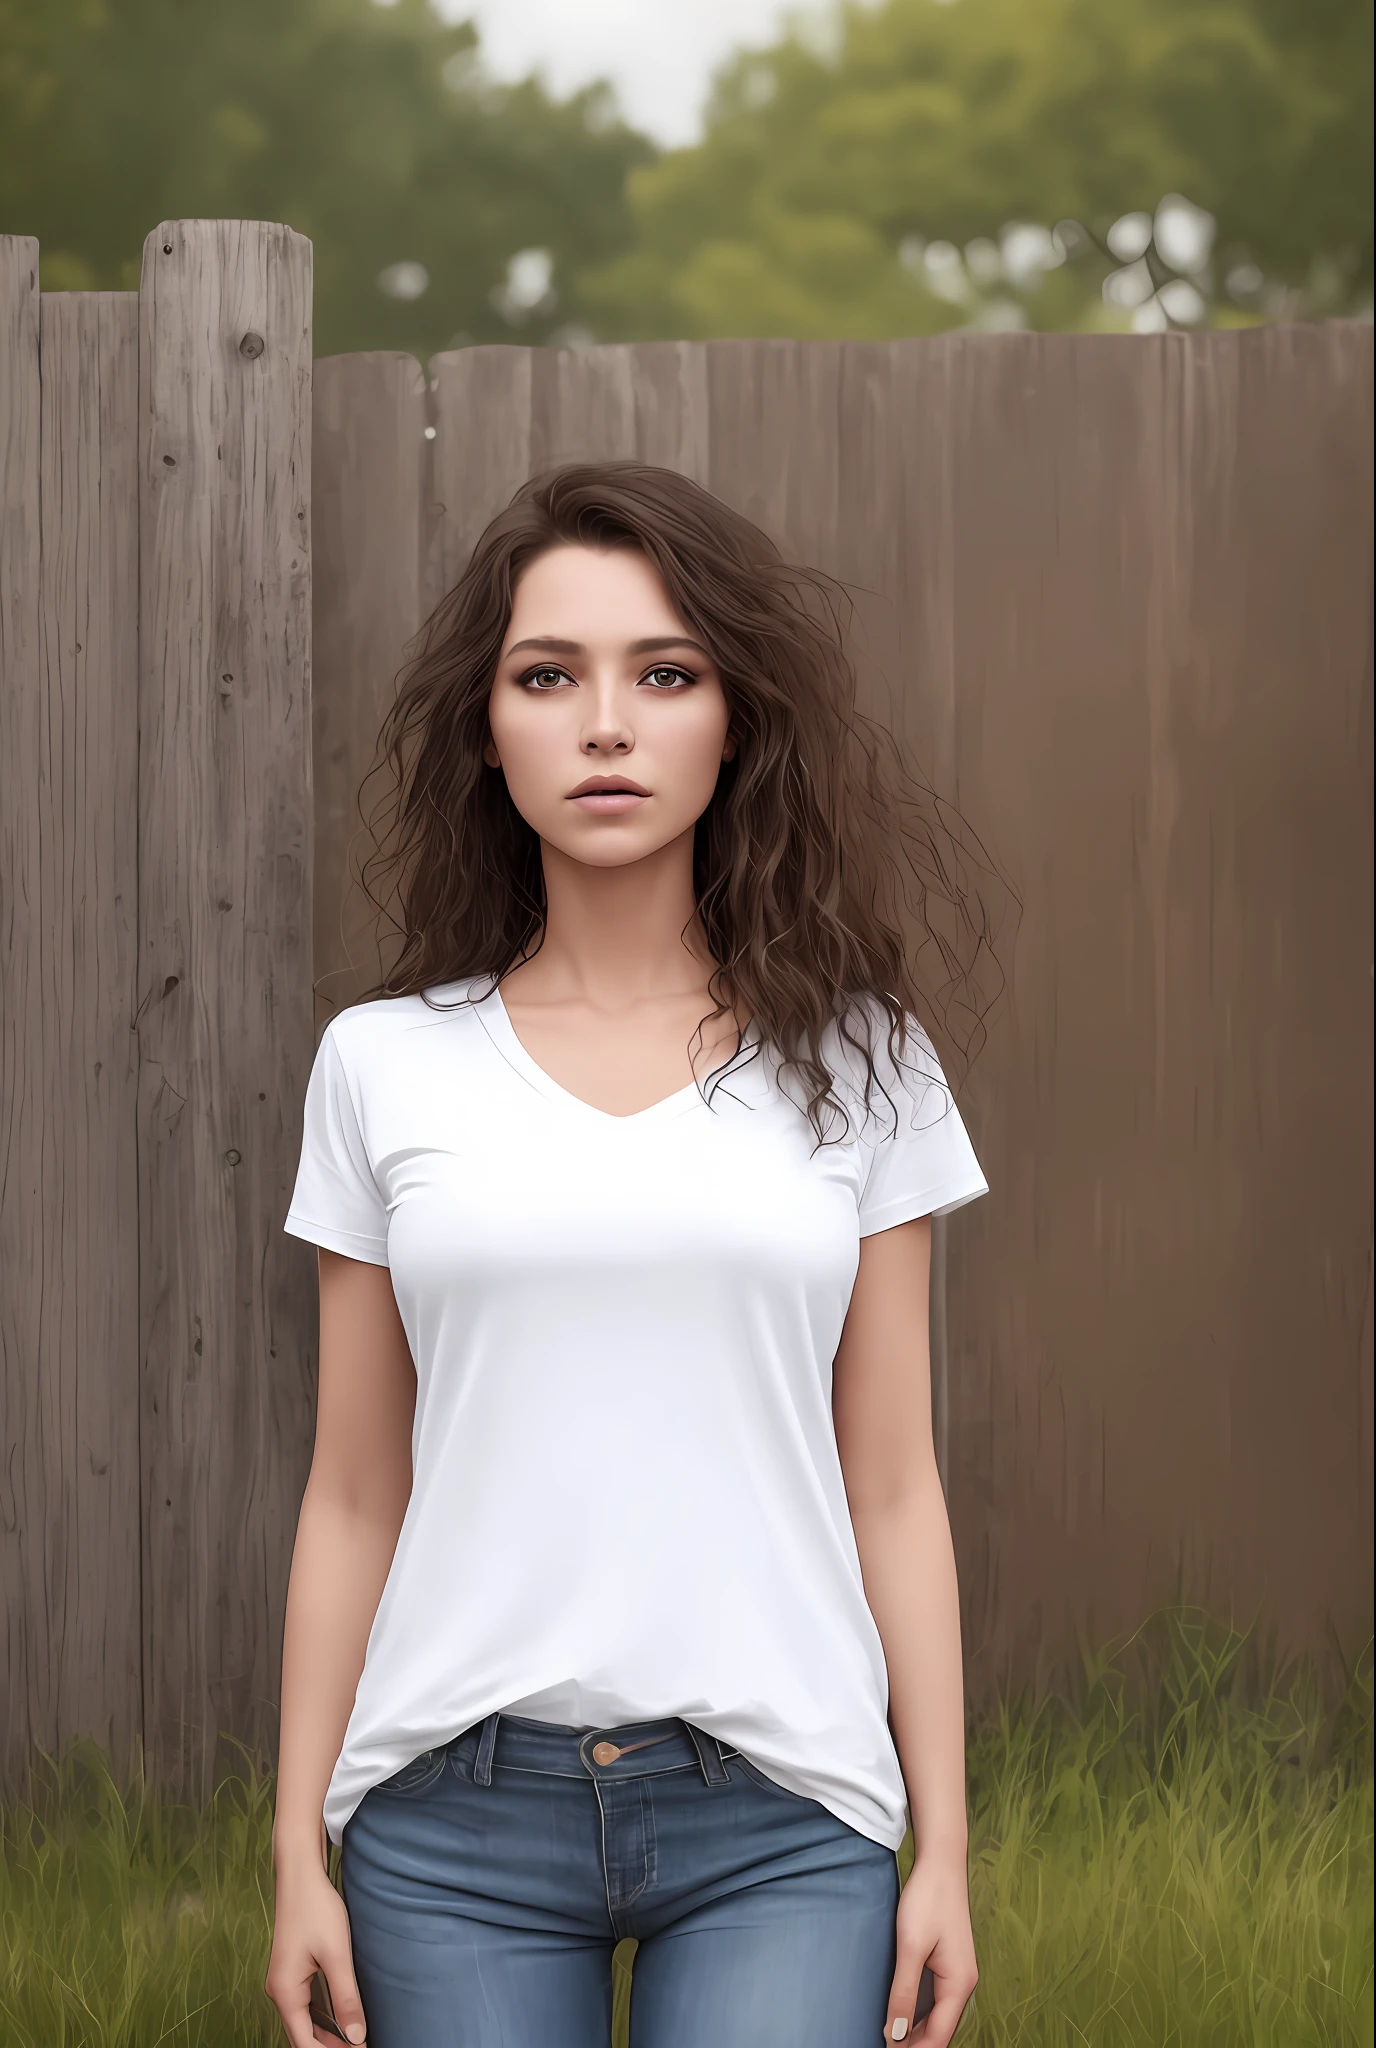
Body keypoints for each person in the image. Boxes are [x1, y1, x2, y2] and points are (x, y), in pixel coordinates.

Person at [266, 461, 999, 2048]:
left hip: (786, 1820)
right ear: (490, 727)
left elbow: (893, 1485)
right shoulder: (382, 1065)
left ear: (733, 724)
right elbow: (352, 1491)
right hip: (449, 1825)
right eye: (550, 676)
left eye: (665, 675)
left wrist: (944, 1848)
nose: (607, 723)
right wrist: (292, 1855)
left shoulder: (864, 1060)